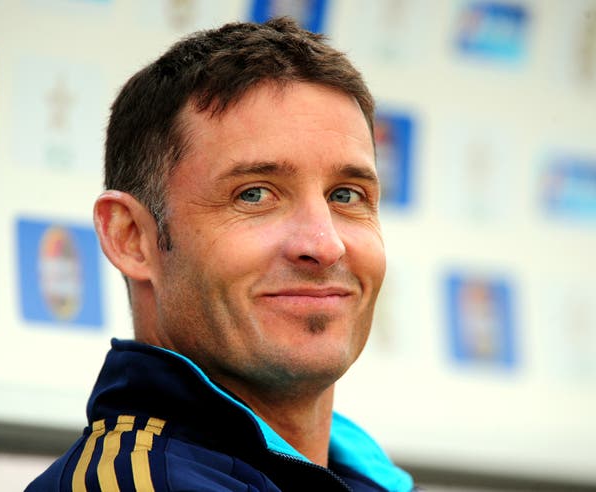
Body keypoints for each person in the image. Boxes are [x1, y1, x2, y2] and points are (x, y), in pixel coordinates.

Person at [27, 17, 415, 492]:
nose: (324, 244)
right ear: (131, 238)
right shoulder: (139, 483)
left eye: (347, 195)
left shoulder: (366, 476)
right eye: (254, 194)